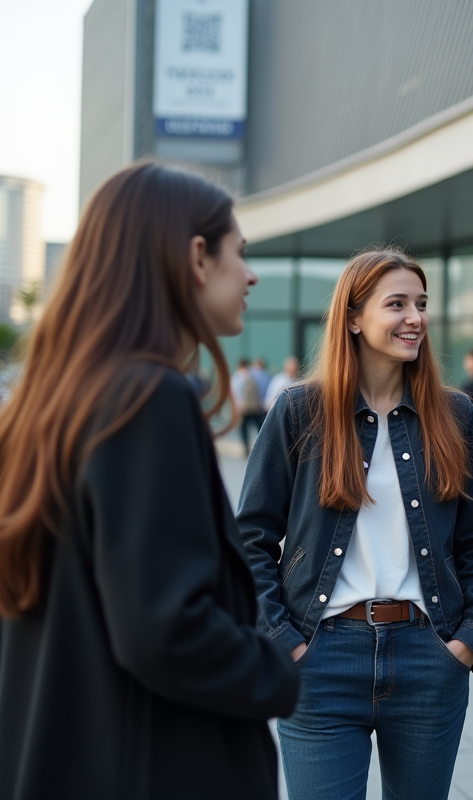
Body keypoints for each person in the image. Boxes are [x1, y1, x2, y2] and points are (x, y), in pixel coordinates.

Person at [0, 162, 299, 799]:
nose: (250, 276)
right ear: (196, 256)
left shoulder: (49, 404)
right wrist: (276, 670)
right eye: (239, 254)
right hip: (151, 765)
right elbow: (164, 629)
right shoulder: (148, 398)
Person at [239, 248, 473, 800]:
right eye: (398, 304)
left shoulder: (454, 416)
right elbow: (250, 539)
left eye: (422, 304)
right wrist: (284, 640)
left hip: (428, 656)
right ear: (355, 318)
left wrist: (470, 639)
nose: (416, 317)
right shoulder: (299, 411)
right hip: (321, 658)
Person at [232, 357, 267, 453]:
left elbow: (235, 393)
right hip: (254, 407)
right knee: (258, 428)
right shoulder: (255, 375)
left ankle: (247, 448)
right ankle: (256, 448)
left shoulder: (238, 377)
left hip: (244, 408)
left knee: (245, 429)